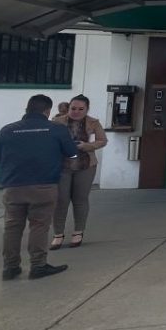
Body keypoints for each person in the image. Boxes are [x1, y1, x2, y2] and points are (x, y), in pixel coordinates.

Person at [0, 94, 78, 281]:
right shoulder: (57, 129)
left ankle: (10, 267)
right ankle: (38, 265)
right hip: (44, 186)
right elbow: (72, 152)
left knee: (12, 227)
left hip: (13, 186)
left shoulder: (7, 130)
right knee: (39, 226)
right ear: (47, 111)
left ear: (26, 109)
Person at [50, 94, 108, 250]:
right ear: (68, 108)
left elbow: (102, 140)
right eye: (73, 108)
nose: (76, 112)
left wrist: (87, 146)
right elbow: (49, 140)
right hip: (63, 165)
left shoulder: (93, 122)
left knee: (80, 199)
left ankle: (78, 232)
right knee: (60, 200)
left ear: (87, 109)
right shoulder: (57, 122)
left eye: (81, 109)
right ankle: (58, 234)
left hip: (86, 164)